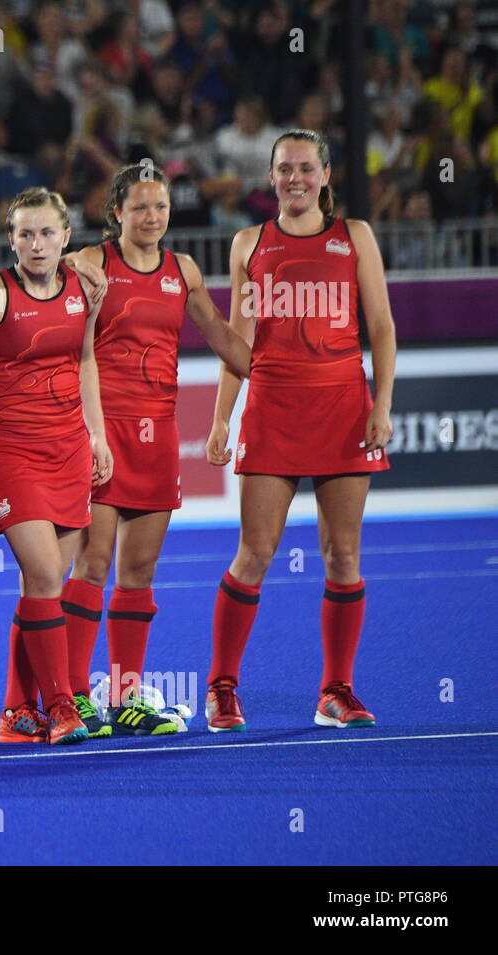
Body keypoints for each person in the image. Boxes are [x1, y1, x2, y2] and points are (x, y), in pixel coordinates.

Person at [204, 129, 396, 731]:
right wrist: (220, 418)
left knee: (343, 554)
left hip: (343, 409)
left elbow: (383, 329)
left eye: (305, 169)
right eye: (284, 169)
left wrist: (382, 405)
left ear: (326, 175)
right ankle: (222, 688)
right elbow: (239, 343)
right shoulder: (248, 244)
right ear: (270, 177)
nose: (295, 178)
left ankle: (335, 691)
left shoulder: (354, 237)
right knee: (255, 554)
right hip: (272, 408)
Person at [62, 163, 253, 737]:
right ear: (115, 212)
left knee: (139, 571)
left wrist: (283, 376)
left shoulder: (183, 270)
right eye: (140, 207)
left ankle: (125, 695)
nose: (152, 217)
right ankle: (72, 694)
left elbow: (221, 336)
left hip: (158, 436)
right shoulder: (90, 265)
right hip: (98, 431)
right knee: (92, 564)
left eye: (161, 208)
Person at [0, 187, 112, 746]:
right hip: (13, 454)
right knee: (44, 577)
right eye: (24, 234)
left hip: (68, 450)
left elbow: (85, 358)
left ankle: (17, 712)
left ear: (66, 236)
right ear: (10, 238)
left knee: (45, 587)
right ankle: (61, 706)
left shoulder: (82, 292)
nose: (36, 244)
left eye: (46, 233)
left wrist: (97, 436)